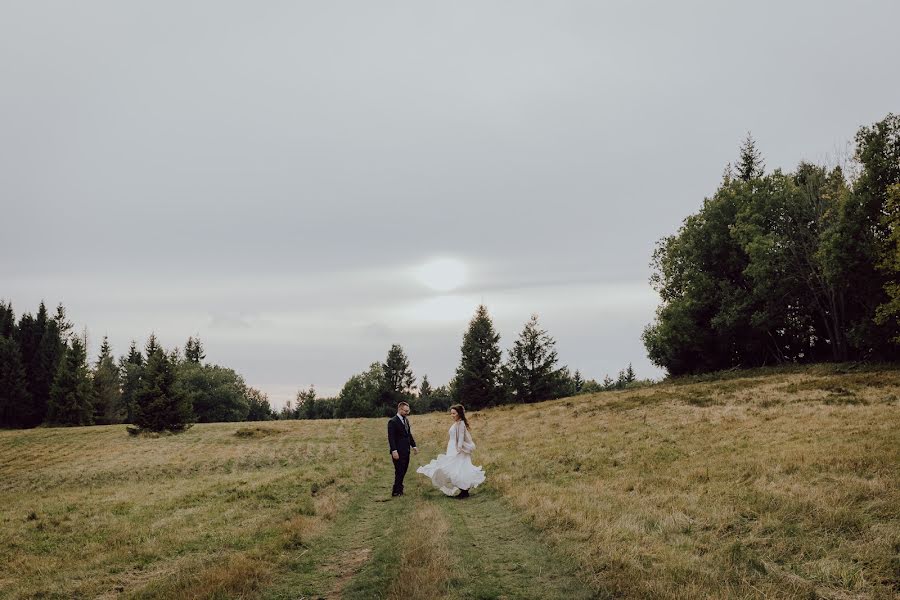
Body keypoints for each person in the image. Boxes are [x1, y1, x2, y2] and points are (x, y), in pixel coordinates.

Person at [416, 404, 485, 498]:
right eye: (451, 413)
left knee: (459, 469)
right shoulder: (457, 422)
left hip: (458, 450)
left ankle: (464, 491)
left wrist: (459, 449)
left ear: (459, 414)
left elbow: (460, 438)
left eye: (454, 413)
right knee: (456, 468)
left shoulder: (461, 423)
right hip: (452, 448)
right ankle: (464, 491)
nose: (452, 415)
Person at [387, 401, 417, 497]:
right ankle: (396, 491)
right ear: (400, 409)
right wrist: (394, 451)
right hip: (398, 451)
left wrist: (414, 446)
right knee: (399, 470)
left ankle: (399, 488)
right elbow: (391, 438)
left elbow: (409, 434)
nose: (407, 413)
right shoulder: (392, 421)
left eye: (408, 411)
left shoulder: (406, 420)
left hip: (406, 450)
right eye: (405, 411)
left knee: (404, 470)